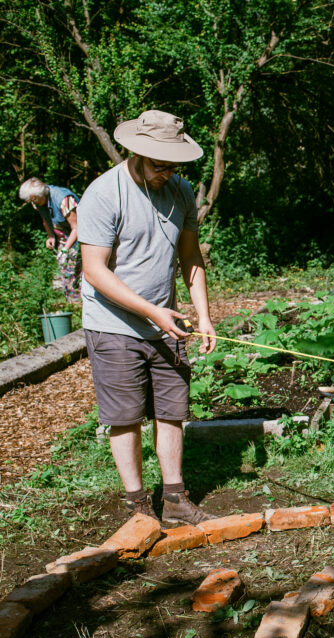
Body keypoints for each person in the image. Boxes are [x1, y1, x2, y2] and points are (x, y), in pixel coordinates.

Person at [77, 110, 217, 524]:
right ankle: (139, 507)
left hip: (167, 322)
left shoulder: (181, 190)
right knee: (125, 418)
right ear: (135, 151)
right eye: (160, 164)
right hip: (114, 324)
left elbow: (190, 256)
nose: (167, 172)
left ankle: (174, 499)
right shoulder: (104, 193)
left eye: (174, 164)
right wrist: (152, 311)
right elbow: (94, 270)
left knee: (172, 409)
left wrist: (204, 316)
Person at [18, 177, 81, 301]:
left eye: (32, 199)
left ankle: (78, 304)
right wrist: (50, 236)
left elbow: (77, 227)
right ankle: (70, 303)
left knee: (76, 270)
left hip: (79, 238)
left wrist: (65, 250)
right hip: (63, 238)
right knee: (63, 271)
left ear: (37, 196)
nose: (32, 203)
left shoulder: (64, 199)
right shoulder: (38, 202)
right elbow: (45, 220)